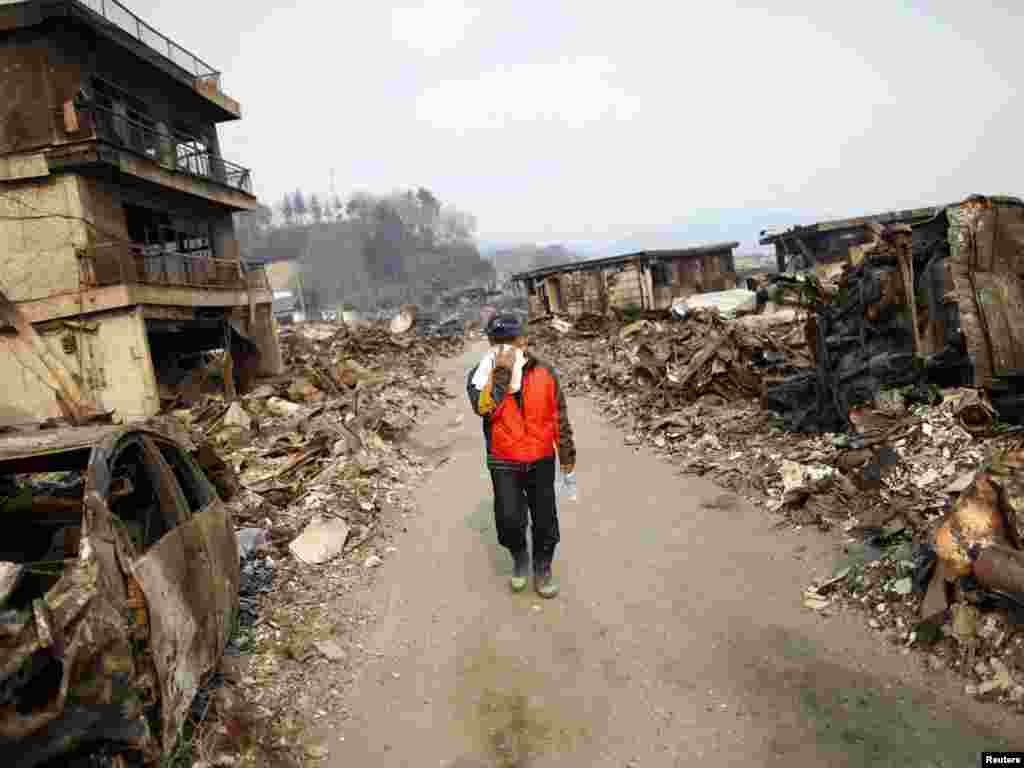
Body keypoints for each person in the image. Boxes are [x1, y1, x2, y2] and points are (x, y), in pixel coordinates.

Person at [467, 313, 576, 598]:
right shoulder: (480, 375)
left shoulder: (544, 372)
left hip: (540, 457)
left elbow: (558, 415)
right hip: (503, 459)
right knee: (509, 519)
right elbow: (485, 409)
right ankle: (519, 557)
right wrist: (501, 375)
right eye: (498, 342)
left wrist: (566, 452)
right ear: (490, 343)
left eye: (511, 341)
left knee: (545, 519)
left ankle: (542, 566)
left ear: (524, 340)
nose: (506, 348)